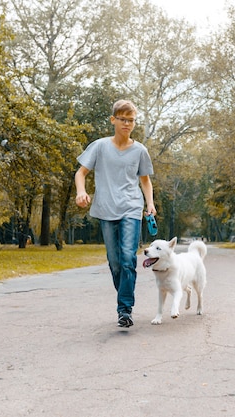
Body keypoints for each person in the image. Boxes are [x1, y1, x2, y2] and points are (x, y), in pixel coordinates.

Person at [75, 99, 157, 328]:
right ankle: (124, 298)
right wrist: (81, 192)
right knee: (115, 262)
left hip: (131, 208)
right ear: (113, 120)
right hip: (105, 208)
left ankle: (124, 309)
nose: (127, 124)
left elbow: (145, 180)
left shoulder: (140, 150)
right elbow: (81, 173)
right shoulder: (99, 146)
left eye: (131, 120)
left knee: (128, 257)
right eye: (123, 119)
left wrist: (149, 204)